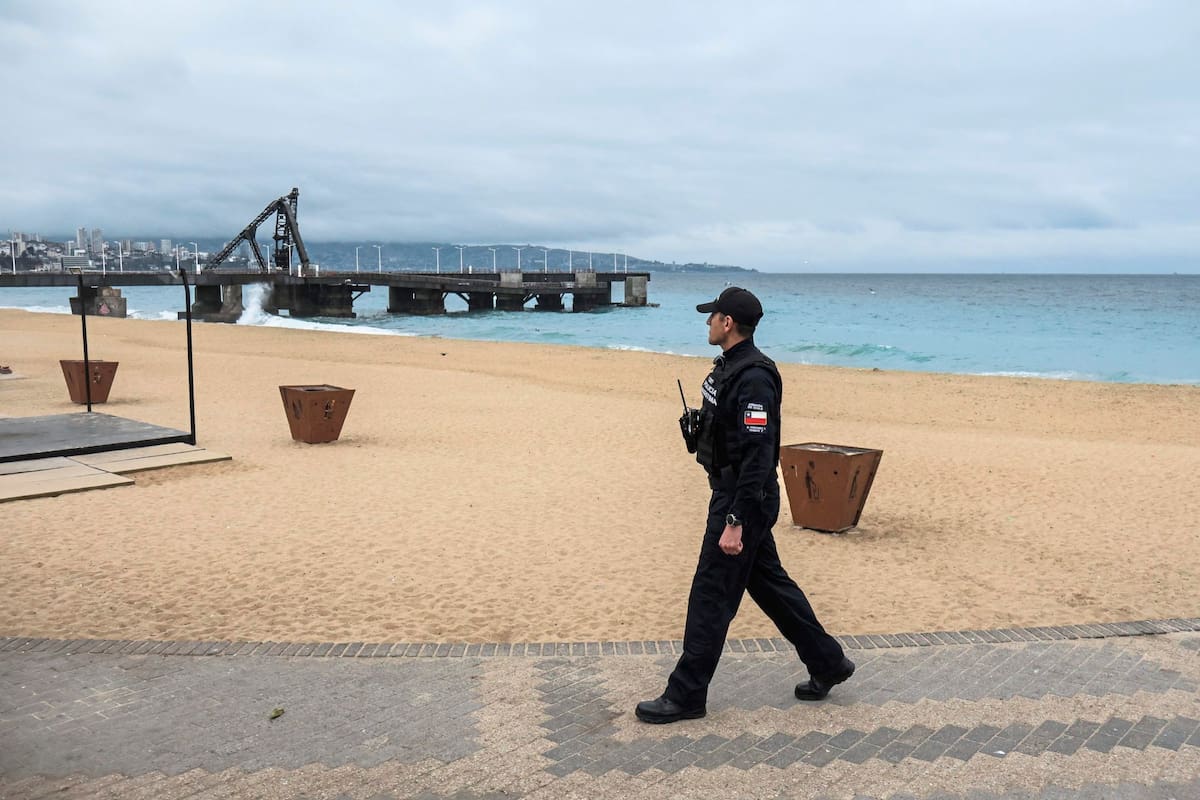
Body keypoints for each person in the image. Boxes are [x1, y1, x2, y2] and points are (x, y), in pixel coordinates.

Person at [635, 286, 854, 724]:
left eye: (712, 316)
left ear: (728, 323)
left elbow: (759, 455)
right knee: (773, 589)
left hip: (743, 500)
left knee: (710, 597)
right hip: (731, 492)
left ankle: (686, 695)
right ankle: (828, 662)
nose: (707, 323)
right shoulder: (726, 368)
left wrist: (736, 520)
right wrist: (698, 437)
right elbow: (728, 437)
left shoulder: (754, 376)